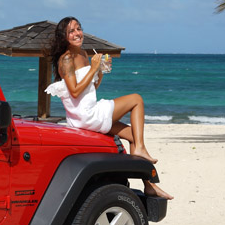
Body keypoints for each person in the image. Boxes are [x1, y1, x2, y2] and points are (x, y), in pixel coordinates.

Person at [46, 16, 173, 200]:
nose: (77, 33)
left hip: (89, 111)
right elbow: (74, 92)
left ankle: (149, 185)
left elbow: (91, 89)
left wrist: (100, 71)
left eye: (79, 29)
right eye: (71, 31)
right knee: (136, 99)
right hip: (85, 115)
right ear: (63, 36)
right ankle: (141, 148)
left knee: (133, 135)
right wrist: (93, 68)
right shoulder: (66, 59)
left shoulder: (84, 54)